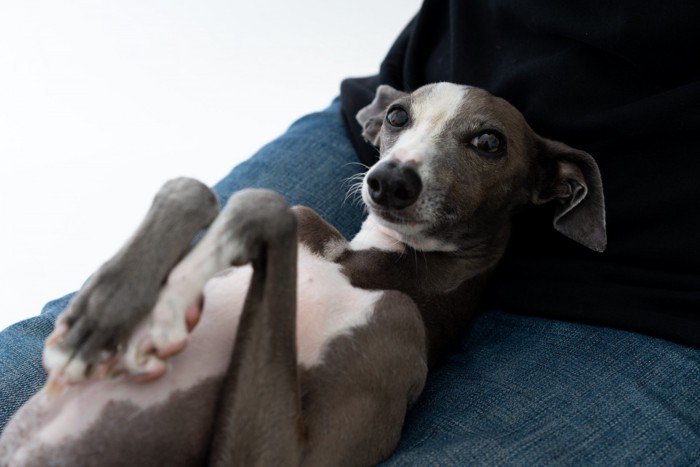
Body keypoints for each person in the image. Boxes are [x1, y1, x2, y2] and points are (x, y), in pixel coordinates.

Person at [2, 0, 699, 464]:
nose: (402, 166)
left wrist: (264, 242)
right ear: (382, 127)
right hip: (428, 76)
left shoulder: (375, 310)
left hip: (659, 276)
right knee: (27, 361)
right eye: (395, 128)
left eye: (481, 144)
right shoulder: (315, 215)